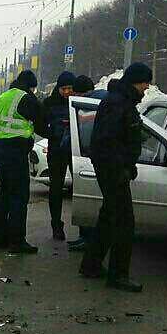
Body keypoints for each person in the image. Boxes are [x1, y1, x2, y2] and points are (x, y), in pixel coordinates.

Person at [78, 62, 152, 292]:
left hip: (115, 168)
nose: (146, 87)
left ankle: (91, 264)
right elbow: (108, 140)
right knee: (124, 223)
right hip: (113, 169)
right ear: (134, 81)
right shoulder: (118, 103)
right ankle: (118, 275)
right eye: (144, 83)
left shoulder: (121, 101)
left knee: (109, 216)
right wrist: (120, 167)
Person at [0, 69, 46, 254]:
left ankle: (0, 239)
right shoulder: (26, 98)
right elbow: (42, 121)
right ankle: (17, 241)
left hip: (0, 152)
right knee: (19, 197)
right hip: (17, 153)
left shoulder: (1, 98)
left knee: (3, 195)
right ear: (31, 86)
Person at [42, 71, 77, 241]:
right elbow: (40, 124)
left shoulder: (78, 101)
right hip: (57, 150)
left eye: (70, 88)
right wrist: (53, 133)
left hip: (77, 152)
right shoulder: (50, 103)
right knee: (56, 188)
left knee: (80, 189)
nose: (67, 91)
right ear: (59, 88)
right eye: (64, 88)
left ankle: (84, 229)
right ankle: (56, 225)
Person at [66, 74, 99, 252]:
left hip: (87, 159)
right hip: (99, 160)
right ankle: (86, 237)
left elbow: (74, 136)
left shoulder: (84, 107)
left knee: (86, 198)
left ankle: (87, 238)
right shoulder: (103, 101)